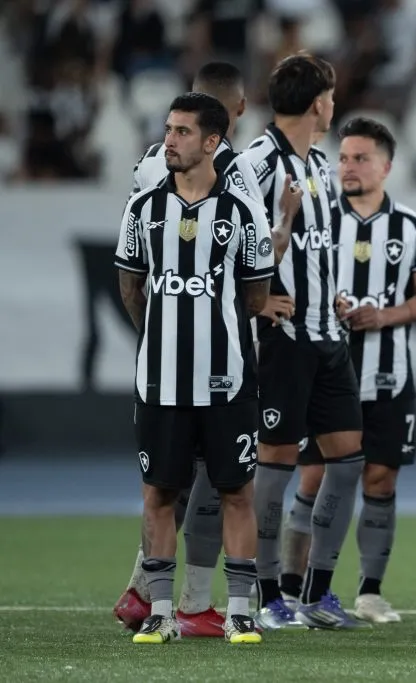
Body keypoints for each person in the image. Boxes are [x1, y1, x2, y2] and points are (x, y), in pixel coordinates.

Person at [113, 60, 302, 639]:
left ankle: (236, 610)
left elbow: (253, 294)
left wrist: (212, 330)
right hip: (161, 380)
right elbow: (130, 286)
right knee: (159, 492)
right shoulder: (143, 209)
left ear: (214, 140)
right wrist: (164, 335)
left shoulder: (239, 212)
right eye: (168, 129)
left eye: (181, 131)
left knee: (234, 491)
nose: (168, 140)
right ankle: (165, 612)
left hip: (227, 378)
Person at [275, 117, 416, 623]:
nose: (348, 167)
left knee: (381, 480)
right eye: (343, 158)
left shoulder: (412, 228)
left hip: (388, 376)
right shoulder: (316, 221)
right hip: (323, 372)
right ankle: (291, 589)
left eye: (361, 157)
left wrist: (384, 315)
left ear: (387, 166)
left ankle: (369, 591)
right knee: (311, 478)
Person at [242, 53, 365, 630]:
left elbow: (319, 247)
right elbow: (228, 247)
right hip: (283, 339)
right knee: (276, 461)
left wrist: (335, 294)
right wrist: (259, 299)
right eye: (332, 96)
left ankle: (314, 594)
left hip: (326, 334)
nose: (333, 106)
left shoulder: (317, 162)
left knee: (346, 459)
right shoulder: (255, 164)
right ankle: (266, 594)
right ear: (319, 101)